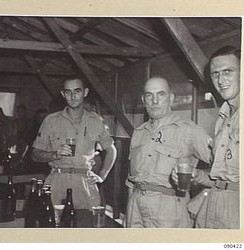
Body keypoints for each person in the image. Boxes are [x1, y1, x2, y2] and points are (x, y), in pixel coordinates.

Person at [125, 76, 212, 228]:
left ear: (171, 98)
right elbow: (131, 182)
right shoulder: (139, 132)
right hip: (135, 210)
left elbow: (225, 170)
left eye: (161, 94)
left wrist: (202, 197)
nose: (154, 101)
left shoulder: (188, 130)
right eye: (149, 95)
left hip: (169, 212)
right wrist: (128, 214)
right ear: (143, 100)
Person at [32, 78, 117, 209]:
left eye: (77, 91)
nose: (72, 96)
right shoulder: (51, 120)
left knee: (85, 224)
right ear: (62, 94)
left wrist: (102, 175)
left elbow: (111, 149)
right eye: (68, 92)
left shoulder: (96, 121)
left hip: (85, 182)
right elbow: (35, 154)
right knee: (52, 225)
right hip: (57, 179)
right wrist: (54, 155)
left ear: (85, 92)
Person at [188, 46, 240, 229]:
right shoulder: (223, 116)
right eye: (215, 74)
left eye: (228, 72)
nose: (220, 80)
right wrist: (197, 175)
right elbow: (221, 177)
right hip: (213, 202)